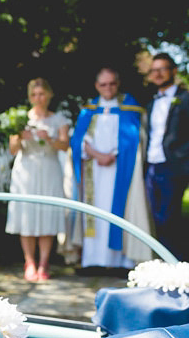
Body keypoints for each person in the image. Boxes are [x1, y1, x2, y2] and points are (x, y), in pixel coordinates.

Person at [69, 68, 152, 270]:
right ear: (97, 86)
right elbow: (78, 139)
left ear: (118, 83)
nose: (108, 88)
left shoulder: (130, 107)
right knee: (95, 212)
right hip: (94, 172)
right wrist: (98, 155)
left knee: (120, 211)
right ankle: (93, 260)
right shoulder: (89, 109)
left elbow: (136, 138)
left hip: (120, 170)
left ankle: (121, 261)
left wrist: (113, 154)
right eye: (103, 84)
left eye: (112, 83)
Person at [5, 78, 70, 281]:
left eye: (42, 94)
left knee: (47, 214)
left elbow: (65, 146)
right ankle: (29, 262)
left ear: (49, 95)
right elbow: (12, 150)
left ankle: (44, 263)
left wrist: (49, 138)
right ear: (29, 97)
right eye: (34, 95)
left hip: (49, 169)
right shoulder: (20, 118)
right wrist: (19, 137)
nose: (38, 98)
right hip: (26, 170)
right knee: (27, 214)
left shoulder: (59, 119)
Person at [144, 52, 189, 260]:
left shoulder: (184, 99)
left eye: (162, 69)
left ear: (173, 71)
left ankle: (176, 263)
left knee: (169, 217)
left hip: (174, 165)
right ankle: (164, 262)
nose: (158, 74)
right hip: (152, 165)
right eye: (154, 70)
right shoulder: (151, 102)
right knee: (156, 217)